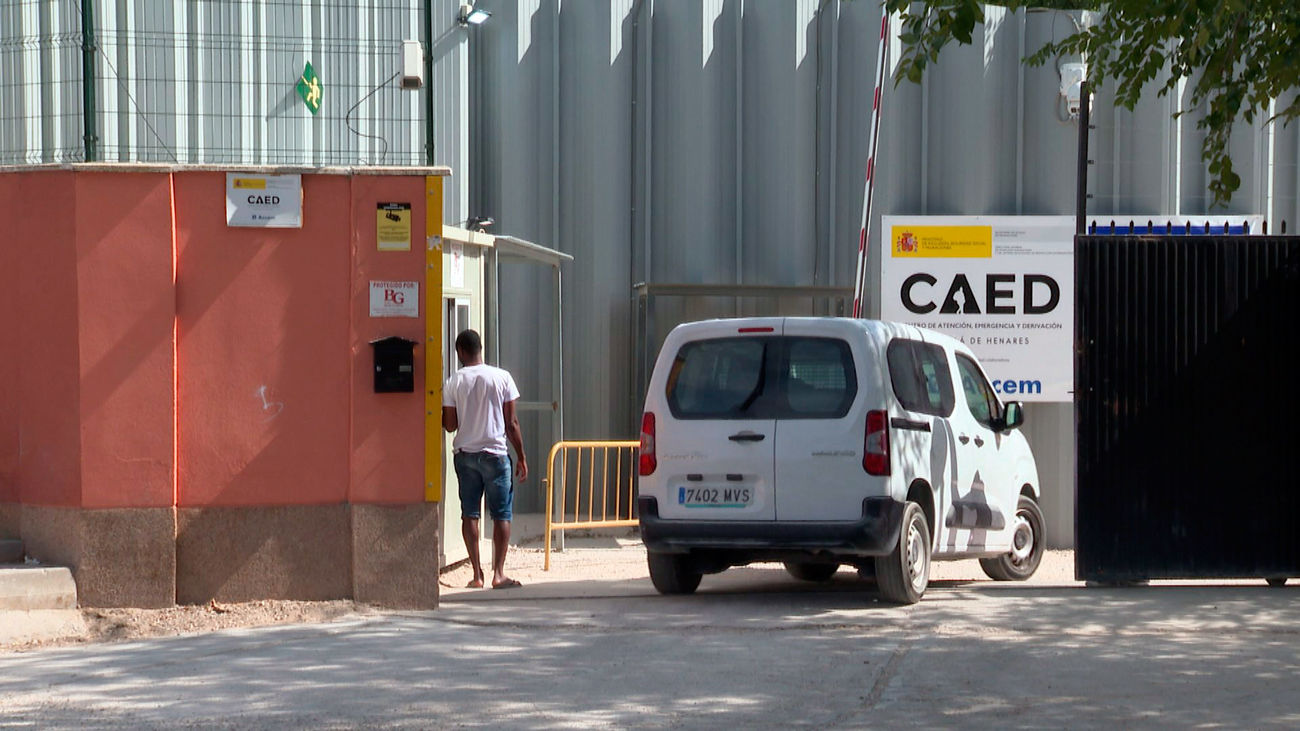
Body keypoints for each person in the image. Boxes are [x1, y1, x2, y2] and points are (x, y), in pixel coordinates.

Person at [442, 329, 529, 589]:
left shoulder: (453, 382)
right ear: (480, 349)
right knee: (502, 515)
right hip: (496, 455)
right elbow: (511, 423)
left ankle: (477, 575)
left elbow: (450, 425)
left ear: (460, 352)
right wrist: (522, 456)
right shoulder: (502, 377)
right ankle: (498, 574)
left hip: (465, 456)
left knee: (469, 514)